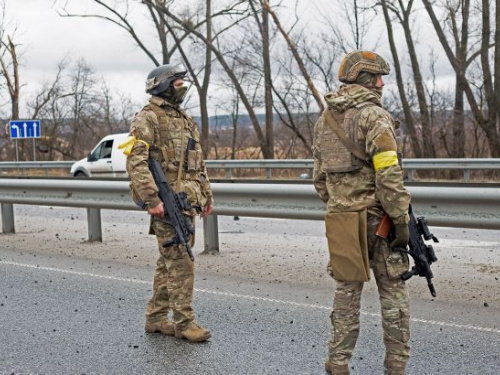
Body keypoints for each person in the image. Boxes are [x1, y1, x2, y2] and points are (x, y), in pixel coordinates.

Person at [313, 50, 412, 375]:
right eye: (378, 77)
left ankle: (337, 362)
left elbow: (319, 179)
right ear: (365, 79)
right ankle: (396, 366)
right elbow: (388, 175)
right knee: (393, 291)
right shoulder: (374, 117)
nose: (382, 83)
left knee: (346, 292)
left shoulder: (325, 121)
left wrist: (341, 202)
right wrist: (400, 220)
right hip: (377, 220)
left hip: (342, 220)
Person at [125, 64, 214, 343]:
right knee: (181, 262)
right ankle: (184, 323)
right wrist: (151, 199)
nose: (182, 87)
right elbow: (136, 161)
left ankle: (156, 317)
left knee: (170, 260)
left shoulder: (184, 118)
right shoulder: (147, 118)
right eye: (177, 83)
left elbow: (196, 161)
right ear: (163, 85)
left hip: (188, 200)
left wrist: (207, 195)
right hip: (166, 201)